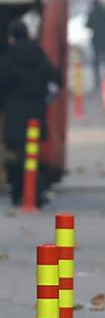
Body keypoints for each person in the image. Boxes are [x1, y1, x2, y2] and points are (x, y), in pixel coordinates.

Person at [0, 20, 62, 206]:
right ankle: (32, 193)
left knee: (17, 155)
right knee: (32, 154)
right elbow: (57, 79)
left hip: (15, 112)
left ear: (11, 37)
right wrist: (47, 97)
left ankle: (25, 193)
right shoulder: (40, 55)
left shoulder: (7, 57)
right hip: (36, 112)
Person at [86, 0, 105, 91]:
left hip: (97, 41)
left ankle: (98, 83)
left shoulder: (93, 13)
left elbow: (88, 25)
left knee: (96, 63)